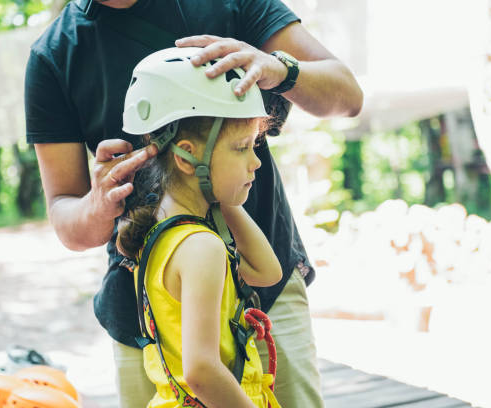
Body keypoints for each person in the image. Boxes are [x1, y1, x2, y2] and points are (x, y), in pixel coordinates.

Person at [24, 0, 363, 407]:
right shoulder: (55, 53)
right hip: (147, 316)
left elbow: (348, 96)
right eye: (244, 147)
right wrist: (97, 205)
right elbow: (65, 212)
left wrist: (279, 69)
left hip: (261, 294)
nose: (252, 157)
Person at [116, 46, 283, 407]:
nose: (256, 162)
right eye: (241, 148)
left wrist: (223, 199)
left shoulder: (165, 232)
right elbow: (202, 370)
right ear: (187, 158)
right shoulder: (200, 247)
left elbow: (268, 272)